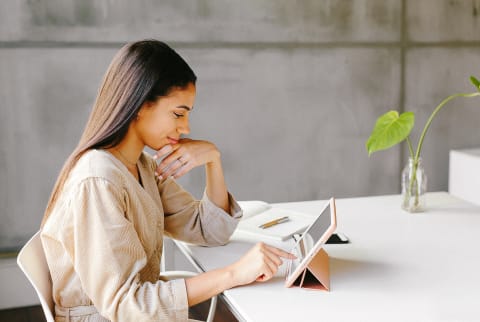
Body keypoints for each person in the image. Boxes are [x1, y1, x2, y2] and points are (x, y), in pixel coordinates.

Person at [40, 39, 295, 322]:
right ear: (139, 105)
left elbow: (209, 231)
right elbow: (127, 306)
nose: (185, 128)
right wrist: (232, 274)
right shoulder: (98, 181)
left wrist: (213, 158)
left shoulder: (141, 166)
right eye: (178, 113)